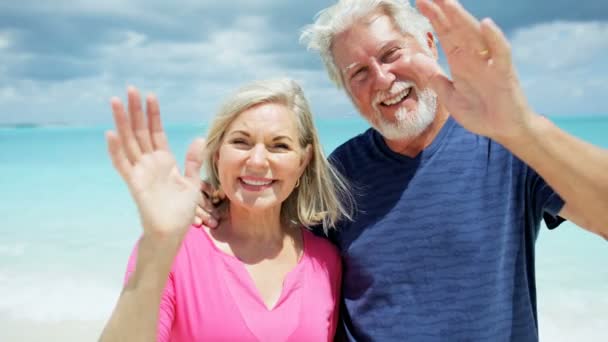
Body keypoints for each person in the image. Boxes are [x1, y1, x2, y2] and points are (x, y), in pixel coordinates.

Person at [194, 0, 608, 341]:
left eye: (391, 54)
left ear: (429, 43)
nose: (382, 78)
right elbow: (270, 247)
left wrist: (524, 128)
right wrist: (213, 200)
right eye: (358, 73)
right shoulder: (340, 173)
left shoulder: (504, 146)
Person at [99, 78, 353, 342]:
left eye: (279, 146)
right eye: (241, 142)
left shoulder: (325, 260)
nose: (256, 161)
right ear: (218, 153)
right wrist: (157, 244)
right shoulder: (174, 250)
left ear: (303, 161)